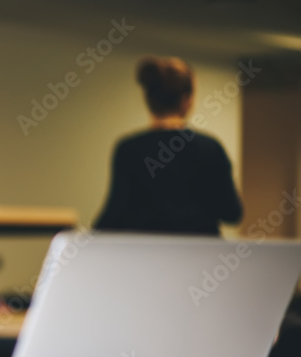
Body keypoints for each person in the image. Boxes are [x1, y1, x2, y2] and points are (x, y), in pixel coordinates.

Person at [93, 56, 243, 235]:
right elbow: (232, 213)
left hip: (148, 256)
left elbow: (113, 215)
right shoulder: (210, 148)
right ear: (187, 100)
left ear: (148, 99)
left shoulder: (129, 150)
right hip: (202, 257)